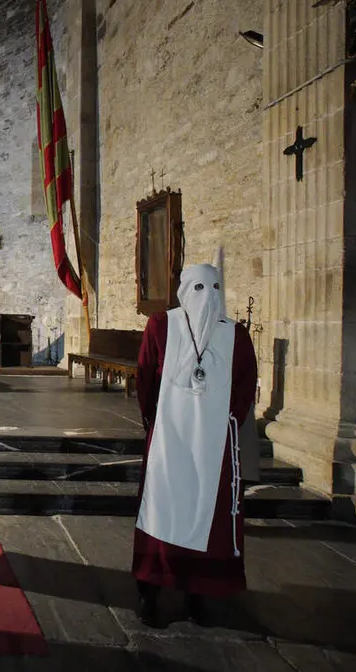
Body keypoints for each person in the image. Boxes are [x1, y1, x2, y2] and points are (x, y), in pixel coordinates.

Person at [133, 262, 257, 627]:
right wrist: (159, 420)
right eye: (200, 288)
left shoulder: (235, 334)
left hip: (211, 443)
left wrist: (222, 421)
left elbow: (244, 384)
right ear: (185, 290)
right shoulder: (162, 324)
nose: (208, 297)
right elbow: (146, 375)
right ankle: (150, 592)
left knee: (206, 513)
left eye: (214, 288)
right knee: (164, 509)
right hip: (171, 439)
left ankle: (197, 592)